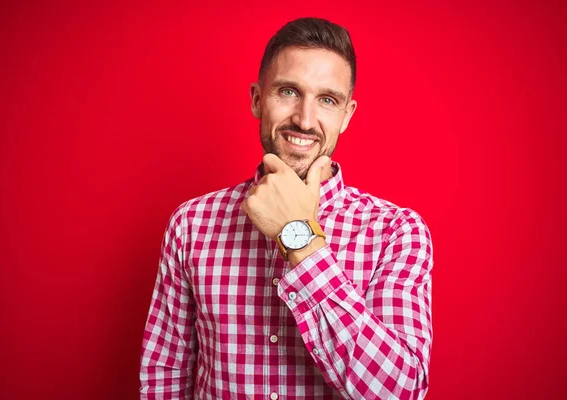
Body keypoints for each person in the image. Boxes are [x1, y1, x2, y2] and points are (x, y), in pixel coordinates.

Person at [140, 17, 433, 400]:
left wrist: (299, 235)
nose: (305, 120)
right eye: (288, 92)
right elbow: (167, 374)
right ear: (257, 99)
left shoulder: (397, 231)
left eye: (327, 100)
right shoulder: (191, 224)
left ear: (347, 115)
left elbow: (400, 391)